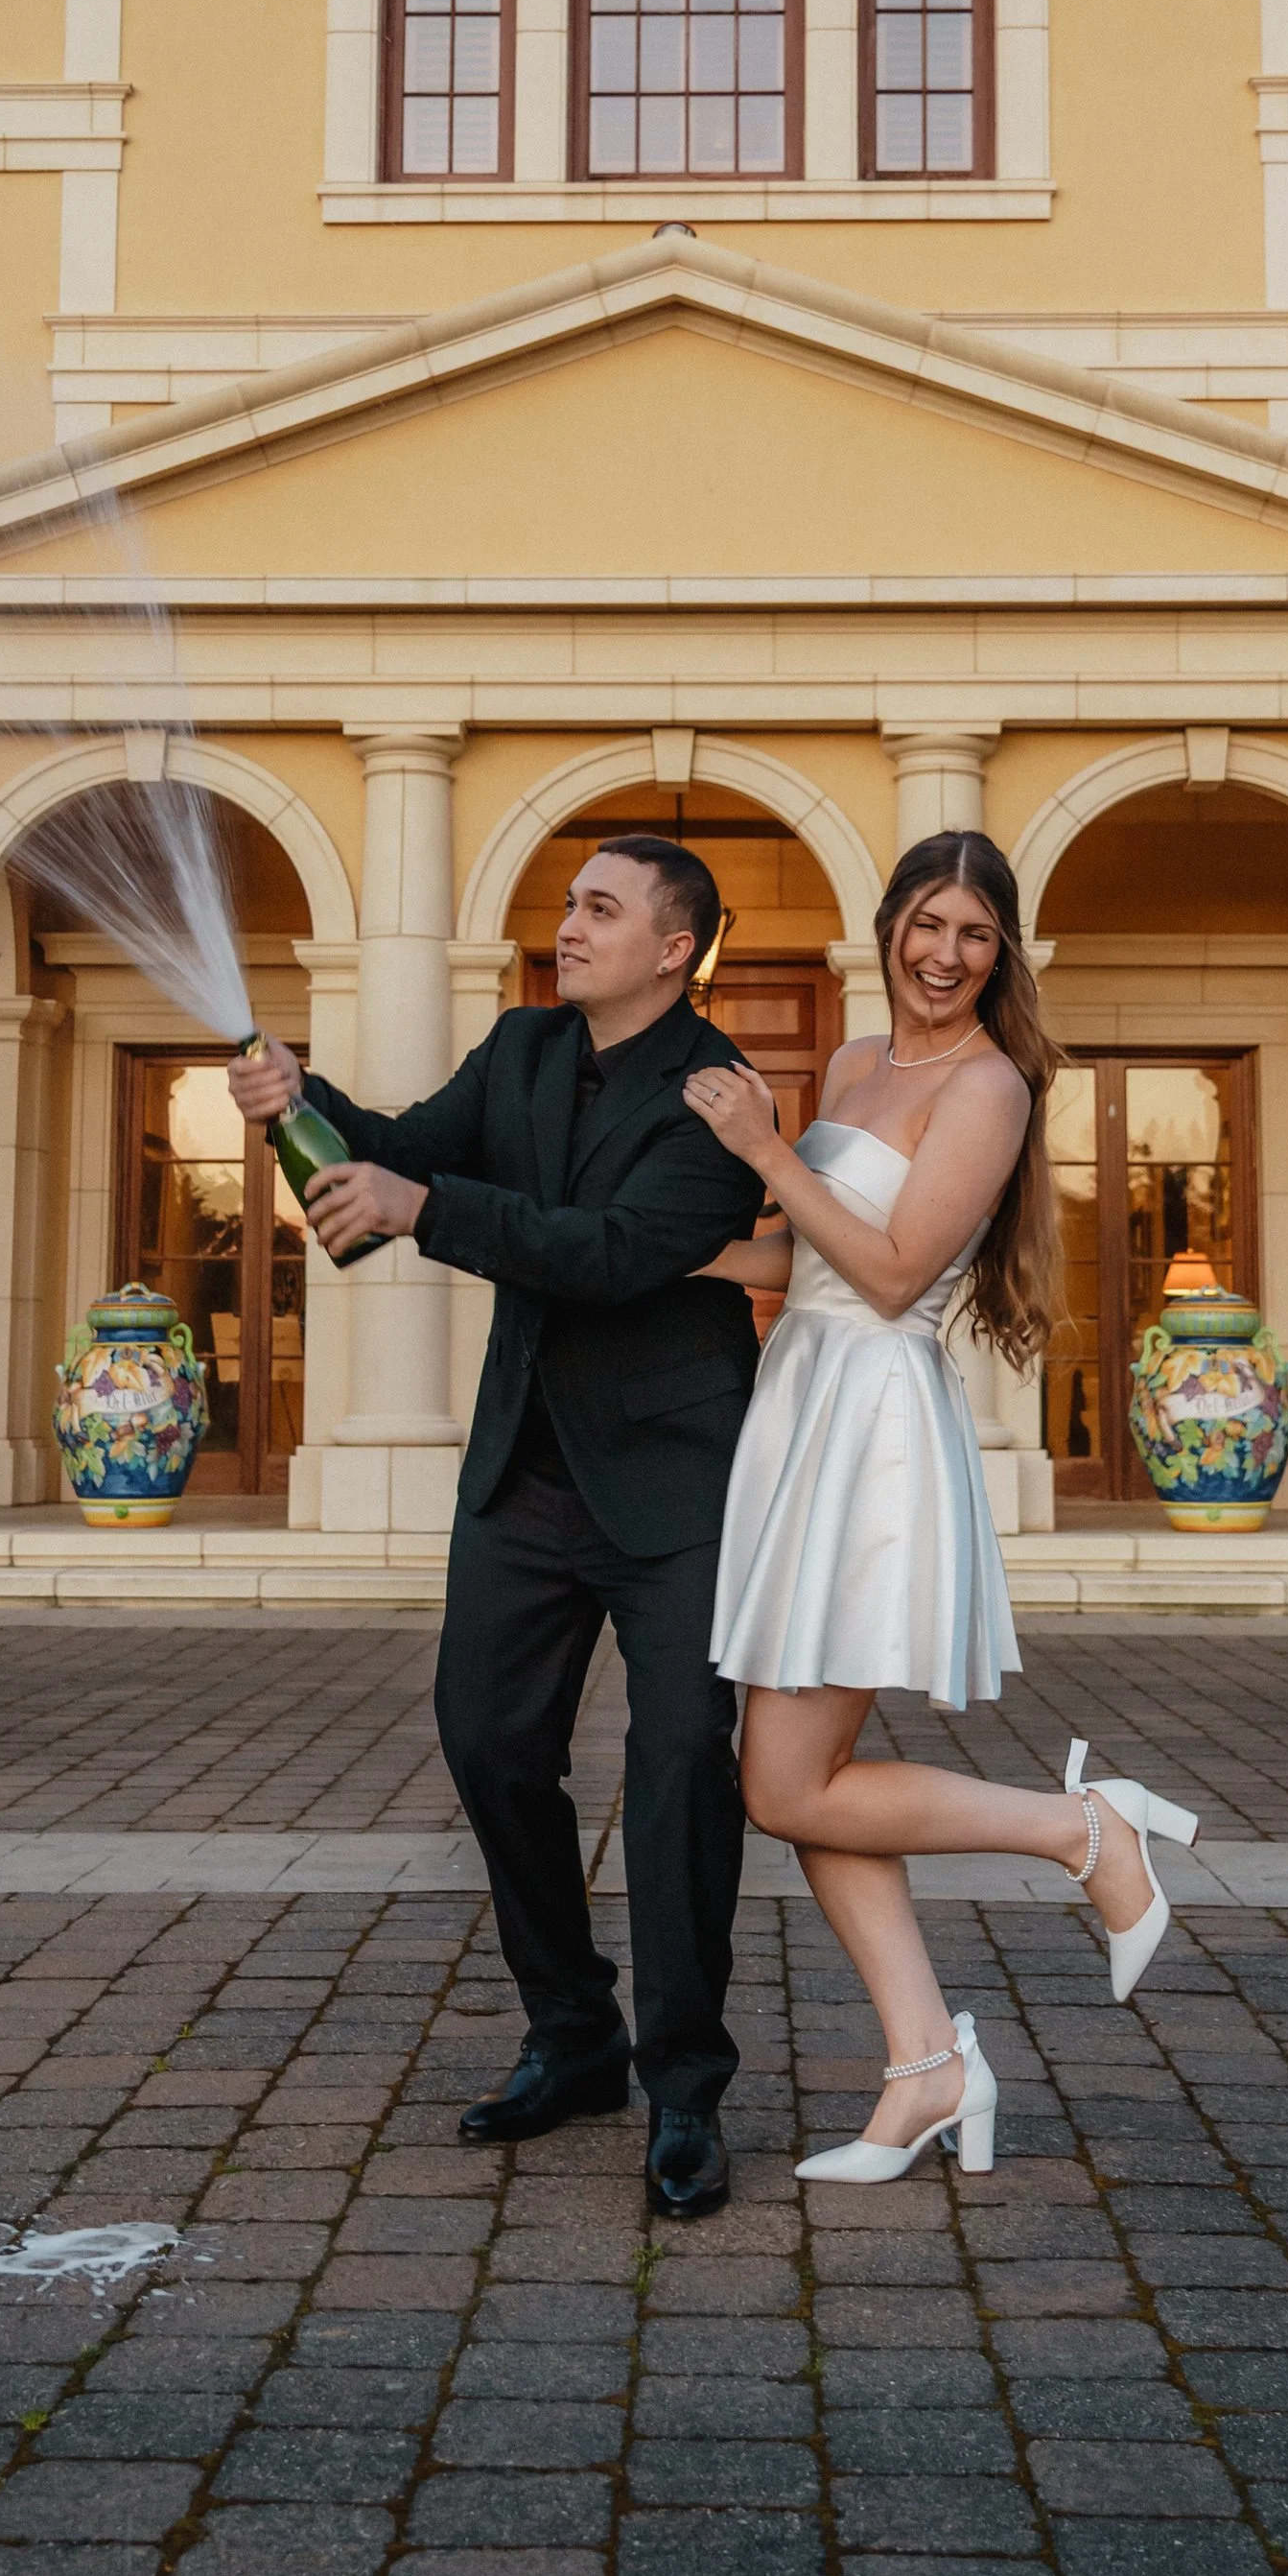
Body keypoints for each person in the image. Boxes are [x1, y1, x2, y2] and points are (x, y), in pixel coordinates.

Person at [227, 838, 768, 2220]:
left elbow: (608, 1252)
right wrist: (307, 1096)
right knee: (486, 1735)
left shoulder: (723, 1098)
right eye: (569, 902)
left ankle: (688, 2092)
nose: (567, 923)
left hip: (674, 1484)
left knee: (683, 1764)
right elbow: (404, 1150)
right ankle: (574, 2033)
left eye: (601, 907)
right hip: (527, 1468)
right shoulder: (522, 1047)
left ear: (673, 946)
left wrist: (430, 1210)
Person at [683, 829, 1202, 2185]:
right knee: (807, 1787)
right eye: (926, 921)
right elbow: (794, 1256)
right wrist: (642, 1251)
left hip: (872, 1428)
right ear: (889, 923)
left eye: (974, 932)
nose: (943, 952)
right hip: (799, 1403)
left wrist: (760, 1144)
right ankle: (926, 2065)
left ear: (1000, 950)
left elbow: (901, 1268)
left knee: (783, 1779)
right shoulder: (859, 1059)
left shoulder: (990, 1086)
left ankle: (1086, 1830)